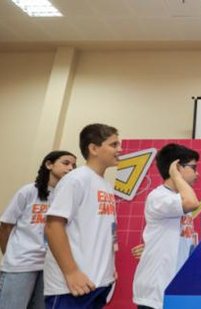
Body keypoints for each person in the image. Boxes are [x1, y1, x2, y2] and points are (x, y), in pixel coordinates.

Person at [44, 123, 121, 308]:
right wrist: (71, 272)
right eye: (114, 144)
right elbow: (53, 226)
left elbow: (104, 230)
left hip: (98, 282)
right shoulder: (76, 179)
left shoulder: (105, 185)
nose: (120, 149)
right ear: (93, 148)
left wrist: (109, 267)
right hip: (71, 287)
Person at [0, 151, 76, 308]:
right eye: (66, 163)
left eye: (74, 165)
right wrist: (10, 255)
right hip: (22, 264)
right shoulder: (28, 191)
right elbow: (6, 225)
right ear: (49, 164)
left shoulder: (66, 195)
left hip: (50, 266)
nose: (71, 168)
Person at [133, 143, 200, 309]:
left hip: (175, 287)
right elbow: (192, 203)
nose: (197, 173)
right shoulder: (159, 197)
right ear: (177, 167)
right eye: (193, 167)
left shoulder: (179, 197)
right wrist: (176, 176)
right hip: (157, 292)